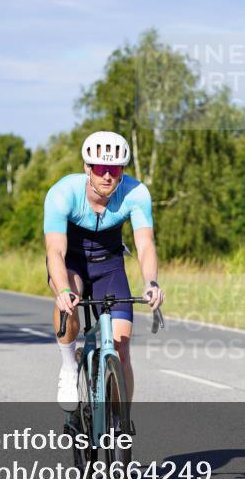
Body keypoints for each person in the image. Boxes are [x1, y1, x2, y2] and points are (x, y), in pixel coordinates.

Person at [44, 131, 165, 410]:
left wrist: (151, 283)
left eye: (114, 169)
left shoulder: (135, 193)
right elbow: (55, 251)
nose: (107, 176)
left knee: (121, 350)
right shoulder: (63, 193)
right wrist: (62, 290)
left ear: (122, 170)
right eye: (100, 168)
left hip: (110, 267)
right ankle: (68, 366)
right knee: (68, 302)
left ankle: (120, 427)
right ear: (88, 168)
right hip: (72, 264)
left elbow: (145, 244)